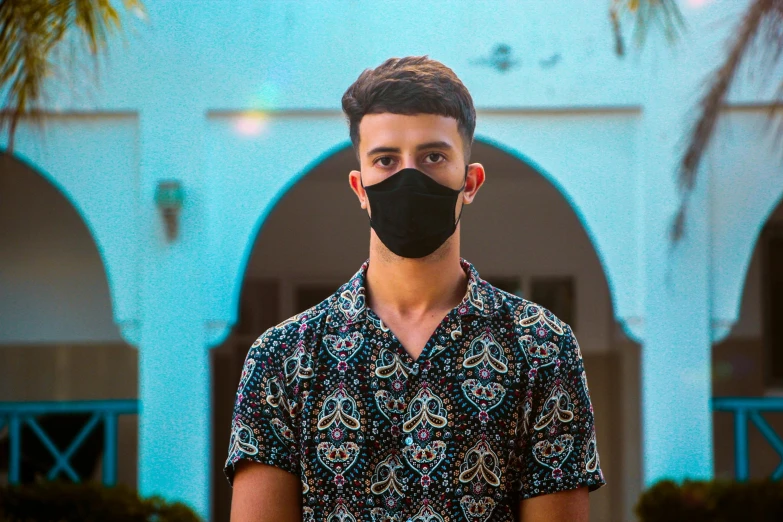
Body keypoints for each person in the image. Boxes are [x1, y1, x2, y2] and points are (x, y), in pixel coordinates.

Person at [225, 55, 606, 522]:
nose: (409, 176)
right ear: (359, 187)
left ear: (470, 181)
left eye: (433, 156)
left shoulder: (542, 347)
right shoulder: (283, 359)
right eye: (386, 160)